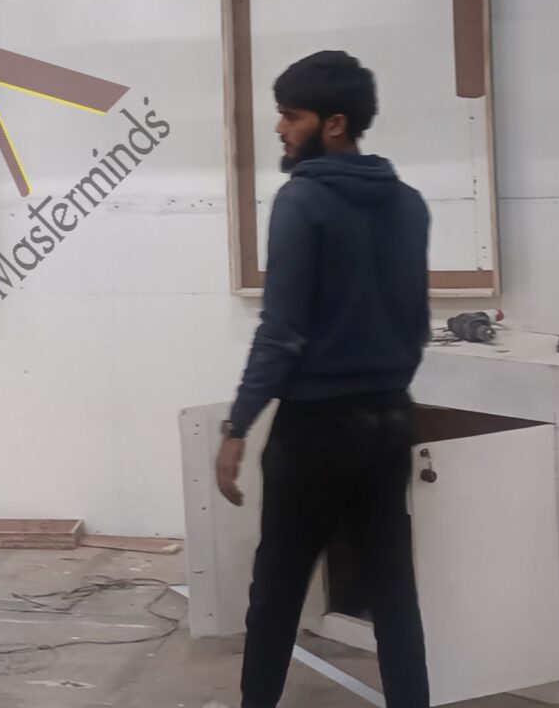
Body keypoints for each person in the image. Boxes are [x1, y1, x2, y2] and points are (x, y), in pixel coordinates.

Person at [214, 51, 432, 708]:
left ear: (334, 124)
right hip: (389, 419)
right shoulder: (409, 205)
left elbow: (281, 332)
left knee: (278, 591)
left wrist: (237, 425)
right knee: (393, 593)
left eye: (291, 116)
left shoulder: (302, 201)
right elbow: (416, 326)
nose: (280, 129)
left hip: (315, 428)